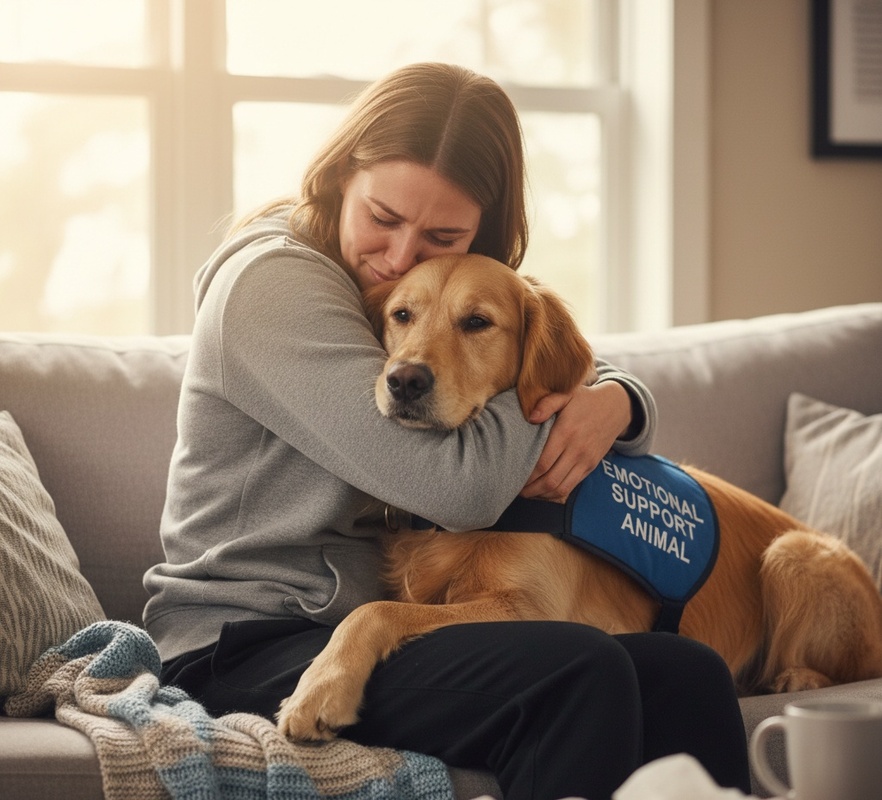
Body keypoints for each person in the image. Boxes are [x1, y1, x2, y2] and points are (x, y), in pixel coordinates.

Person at [144, 63, 750, 800]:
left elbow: (538, 352)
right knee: (577, 669)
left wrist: (619, 397)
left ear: (482, 236)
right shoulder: (272, 287)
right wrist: (562, 385)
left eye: (440, 235)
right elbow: (455, 484)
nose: (400, 258)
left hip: (368, 626)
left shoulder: (407, 293)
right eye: (383, 217)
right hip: (246, 642)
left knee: (684, 671)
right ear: (340, 177)